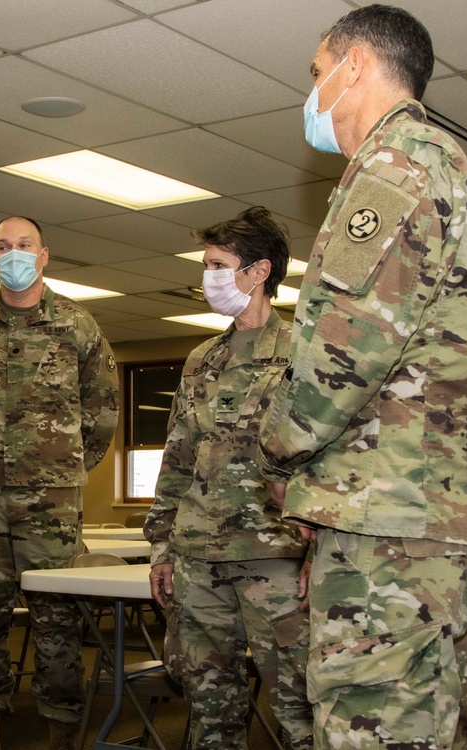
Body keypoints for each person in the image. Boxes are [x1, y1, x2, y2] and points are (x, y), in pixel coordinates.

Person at [256, 6, 467, 749]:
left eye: (317, 72)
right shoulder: (435, 161)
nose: (312, 92)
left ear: (355, 66)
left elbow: (343, 350)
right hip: (419, 513)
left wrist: (277, 451)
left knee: (377, 724)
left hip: (391, 519)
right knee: (424, 722)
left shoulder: (394, 164)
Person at [0, 215, 119, 750]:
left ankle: (61, 730)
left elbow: (104, 410)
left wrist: (62, 467)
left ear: (44, 256)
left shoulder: (77, 324)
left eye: (25, 245)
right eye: (3, 246)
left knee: (56, 619)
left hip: (50, 496)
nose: (14, 253)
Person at [144, 207, 313, 749]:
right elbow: (177, 460)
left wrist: (321, 551)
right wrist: (162, 549)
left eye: (218, 265)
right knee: (209, 705)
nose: (207, 278)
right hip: (199, 559)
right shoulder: (202, 359)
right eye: (206, 265)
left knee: (298, 703)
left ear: (259, 271)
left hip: (276, 557)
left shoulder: (304, 355)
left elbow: (328, 460)